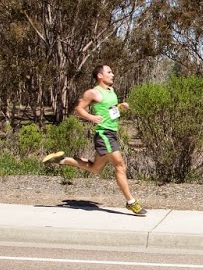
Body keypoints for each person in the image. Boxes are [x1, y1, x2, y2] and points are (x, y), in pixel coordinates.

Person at [42, 64, 145, 215]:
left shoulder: (111, 91)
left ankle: (62, 160)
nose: (113, 74)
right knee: (120, 166)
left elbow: (109, 110)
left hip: (112, 132)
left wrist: (119, 107)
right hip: (104, 134)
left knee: (96, 169)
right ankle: (131, 202)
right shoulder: (92, 93)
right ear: (100, 75)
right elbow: (79, 109)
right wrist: (91, 117)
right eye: (109, 72)